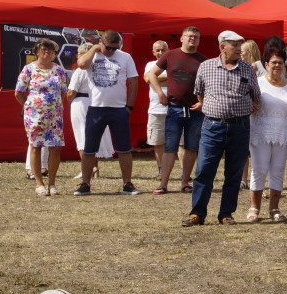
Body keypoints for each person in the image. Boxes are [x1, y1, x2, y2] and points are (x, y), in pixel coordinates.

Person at [182, 31, 261, 227]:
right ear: (222, 47)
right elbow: (200, 94)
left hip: (240, 126)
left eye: (239, 44)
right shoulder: (206, 67)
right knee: (204, 171)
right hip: (213, 125)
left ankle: (226, 214)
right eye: (234, 44)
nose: (238, 48)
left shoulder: (247, 69)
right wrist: (214, 108)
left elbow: (255, 96)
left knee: (233, 173)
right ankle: (197, 213)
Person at [74, 30, 140, 196]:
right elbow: (81, 64)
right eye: (108, 48)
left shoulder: (125, 57)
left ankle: (127, 184)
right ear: (101, 42)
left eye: (114, 48)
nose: (111, 51)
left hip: (118, 109)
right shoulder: (93, 55)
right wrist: (94, 49)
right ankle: (85, 184)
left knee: (124, 148)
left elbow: (133, 81)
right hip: (96, 108)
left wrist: (129, 107)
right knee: (89, 149)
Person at [146, 26, 207, 194]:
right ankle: (163, 184)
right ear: (181, 38)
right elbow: (152, 75)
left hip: (195, 111)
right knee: (169, 147)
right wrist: (160, 94)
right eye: (189, 36)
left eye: (196, 36)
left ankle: (185, 183)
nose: (192, 38)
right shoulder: (170, 55)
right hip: (174, 109)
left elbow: (210, 85)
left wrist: (203, 103)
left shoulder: (203, 60)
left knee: (191, 147)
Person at [247, 48, 287, 222]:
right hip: (260, 132)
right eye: (273, 62)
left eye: (280, 62)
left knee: (278, 171)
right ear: (266, 64)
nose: (277, 66)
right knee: (260, 170)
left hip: (283, 134)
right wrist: (251, 104)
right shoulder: (258, 82)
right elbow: (248, 102)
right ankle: (254, 208)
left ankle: (274, 208)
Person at [15, 38, 68, 196]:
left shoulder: (58, 69)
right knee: (36, 147)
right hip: (34, 115)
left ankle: (52, 184)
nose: (47, 51)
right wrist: (29, 106)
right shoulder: (29, 69)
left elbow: (63, 91)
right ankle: (39, 183)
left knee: (55, 148)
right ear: (36, 52)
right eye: (43, 49)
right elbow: (18, 92)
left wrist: (55, 107)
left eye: (50, 49)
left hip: (55, 116)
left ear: (53, 53)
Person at [68, 43, 114, 179]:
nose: (77, 56)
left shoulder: (80, 71)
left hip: (81, 103)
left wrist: (70, 101)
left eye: (79, 53)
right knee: (94, 135)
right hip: (96, 102)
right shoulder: (99, 69)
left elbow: (71, 91)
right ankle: (95, 167)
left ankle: (86, 169)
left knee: (82, 135)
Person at [239, 40, 265, 189]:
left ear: (248, 52)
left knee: (247, 148)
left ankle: (245, 179)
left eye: (242, 51)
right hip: (259, 111)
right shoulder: (261, 65)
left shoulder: (253, 67)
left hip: (253, 111)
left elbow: (250, 89)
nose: (240, 53)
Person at [145, 40, 169, 179]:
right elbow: (147, 79)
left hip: (174, 109)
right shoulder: (149, 64)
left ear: (168, 50)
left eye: (163, 50)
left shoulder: (173, 63)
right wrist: (167, 78)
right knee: (157, 142)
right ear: (153, 52)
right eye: (158, 50)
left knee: (181, 143)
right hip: (155, 110)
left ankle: (184, 173)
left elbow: (151, 78)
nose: (160, 53)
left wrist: (155, 78)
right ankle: (161, 171)